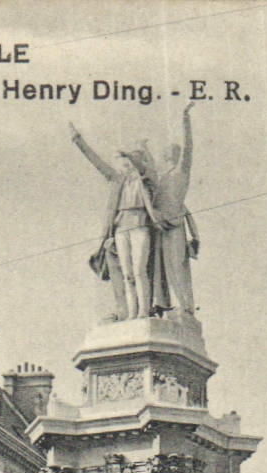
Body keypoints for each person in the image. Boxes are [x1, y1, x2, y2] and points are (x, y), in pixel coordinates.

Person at [70, 122, 165, 318]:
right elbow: (97, 162)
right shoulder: (118, 179)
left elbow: (145, 169)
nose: (128, 164)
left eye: (133, 160)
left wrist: (131, 156)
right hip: (121, 227)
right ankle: (132, 313)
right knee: (127, 274)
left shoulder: (146, 179)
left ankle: (143, 312)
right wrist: (78, 140)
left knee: (139, 271)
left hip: (140, 225)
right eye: (127, 160)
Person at [150, 101, 199, 316]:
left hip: (175, 224)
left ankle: (185, 306)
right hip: (159, 224)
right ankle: (161, 304)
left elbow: (189, 146)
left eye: (173, 150)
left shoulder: (181, 172)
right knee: (159, 267)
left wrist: (185, 118)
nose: (170, 152)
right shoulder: (160, 177)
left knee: (177, 265)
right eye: (167, 151)